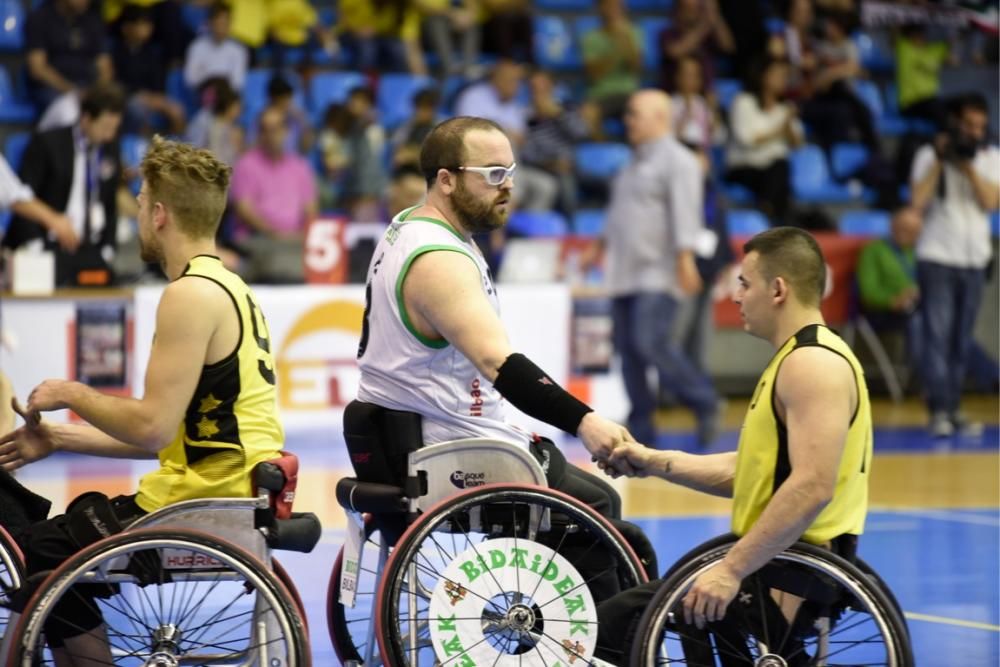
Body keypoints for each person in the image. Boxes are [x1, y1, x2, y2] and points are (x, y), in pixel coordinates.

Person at [0, 136, 285, 664]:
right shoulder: (229, 287)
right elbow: (173, 434)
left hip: (204, 501)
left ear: (158, 214)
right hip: (230, 483)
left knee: (38, 553)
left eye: (137, 206)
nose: (134, 219)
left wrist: (72, 393)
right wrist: (60, 436)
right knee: (63, 534)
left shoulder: (189, 294)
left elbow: (152, 427)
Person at [355, 116, 653, 600]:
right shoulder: (439, 260)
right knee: (602, 509)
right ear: (446, 181)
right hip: (449, 449)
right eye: (492, 173)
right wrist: (585, 421)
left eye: (510, 171)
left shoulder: (409, 224)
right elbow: (500, 366)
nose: (509, 184)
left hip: (415, 434)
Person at [593, 226, 874, 664]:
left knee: (611, 625)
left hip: (794, 569)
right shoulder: (794, 358)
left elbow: (813, 486)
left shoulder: (813, 364)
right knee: (674, 607)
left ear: (778, 289)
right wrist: (653, 461)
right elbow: (751, 473)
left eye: (744, 283)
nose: (735, 295)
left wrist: (731, 568)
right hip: (776, 561)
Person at [584, 89, 720, 447]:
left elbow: (685, 211)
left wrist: (685, 258)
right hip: (624, 274)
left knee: (650, 343)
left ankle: (704, 400)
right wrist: (597, 247)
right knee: (628, 352)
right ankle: (641, 430)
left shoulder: (679, 161)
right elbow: (618, 214)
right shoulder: (631, 164)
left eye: (635, 114)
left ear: (661, 118)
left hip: (658, 273)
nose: (628, 120)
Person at [910, 92, 1000, 438]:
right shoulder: (927, 155)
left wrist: (967, 165)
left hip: (974, 257)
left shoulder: (990, 157)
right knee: (937, 336)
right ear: (953, 124)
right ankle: (939, 410)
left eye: (980, 126)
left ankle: (953, 406)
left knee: (961, 339)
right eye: (968, 126)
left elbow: (991, 200)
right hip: (937, 256)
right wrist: (940, 158)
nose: (974, 133)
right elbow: (917, 200)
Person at [1, 83, 125, 287]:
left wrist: (108, 248)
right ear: (86, 118)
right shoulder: (48, 144)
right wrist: (36, 246)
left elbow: (110, 204)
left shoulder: (110, 149)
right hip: (46, 246)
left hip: (88, 249)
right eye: (104, 127)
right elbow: (22, 197)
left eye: (114, 129)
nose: (109, 135)